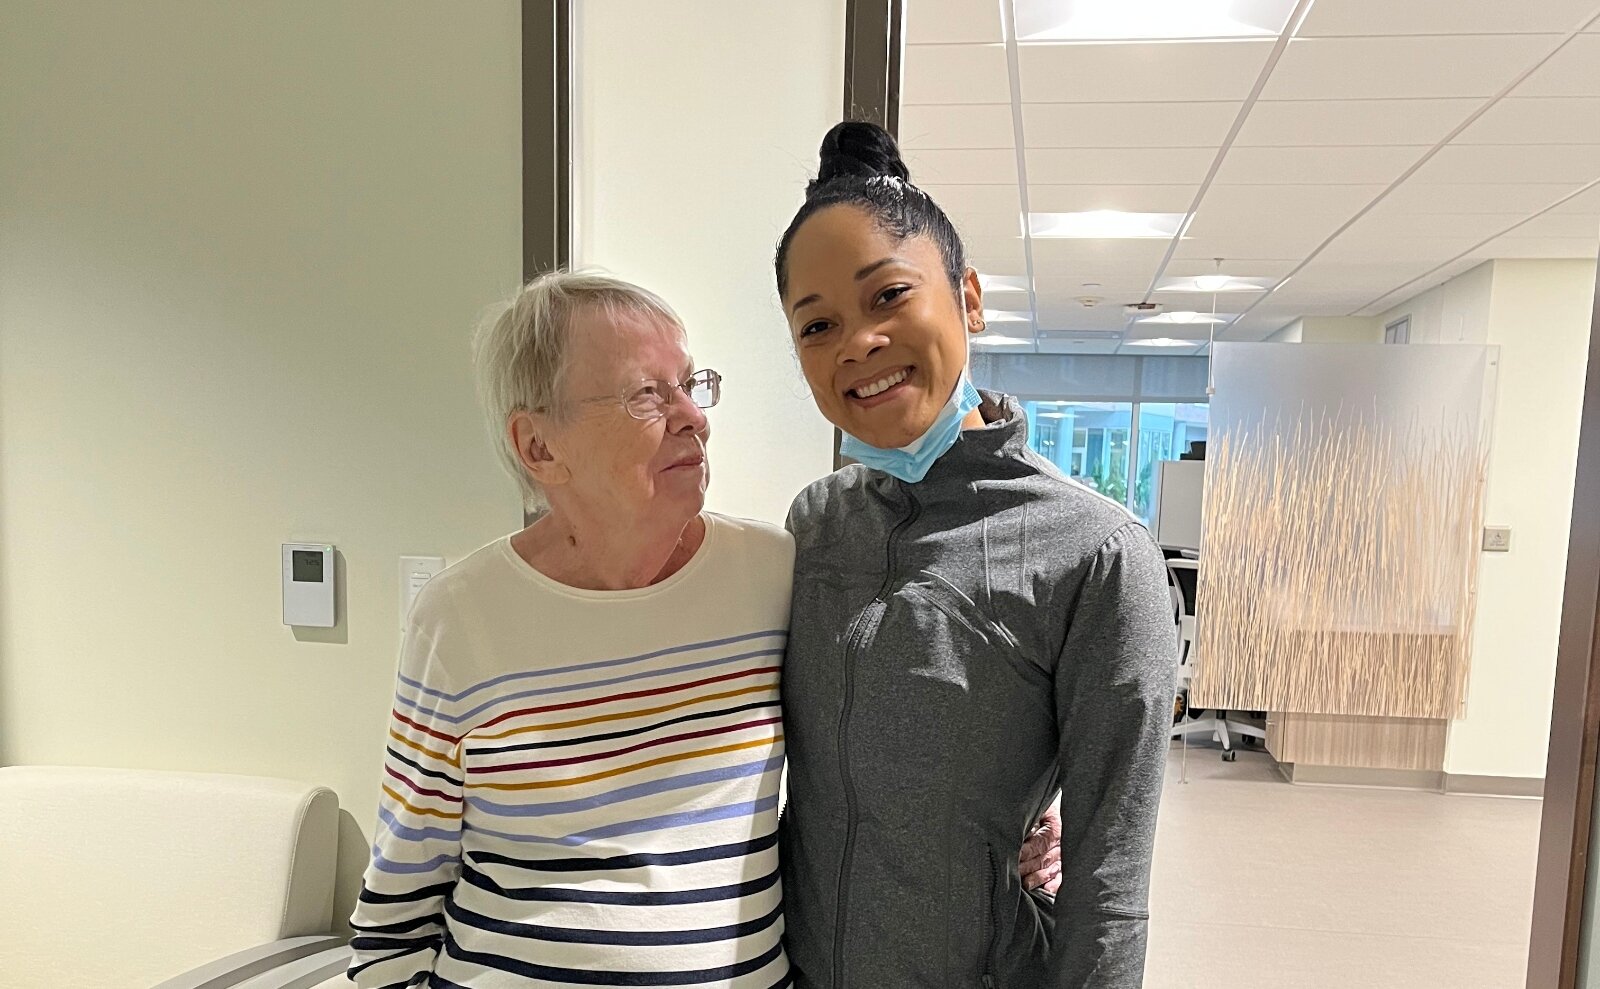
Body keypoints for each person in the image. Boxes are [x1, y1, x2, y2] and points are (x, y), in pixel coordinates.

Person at [346, 272, 1061, 988]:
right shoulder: (459, 618)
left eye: (690, 384)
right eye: (647, 394)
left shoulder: (774, 572)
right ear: (539, 446)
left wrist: (1015, 810)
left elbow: (888, 722)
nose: (694, 416)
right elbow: (396, 918)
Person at [773, 122, 1177, 988]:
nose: (857, 342)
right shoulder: (813, 526)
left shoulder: (1098, 556)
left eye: (888, 296)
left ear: (970, 299)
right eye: (817, 325)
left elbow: (1110, 884)